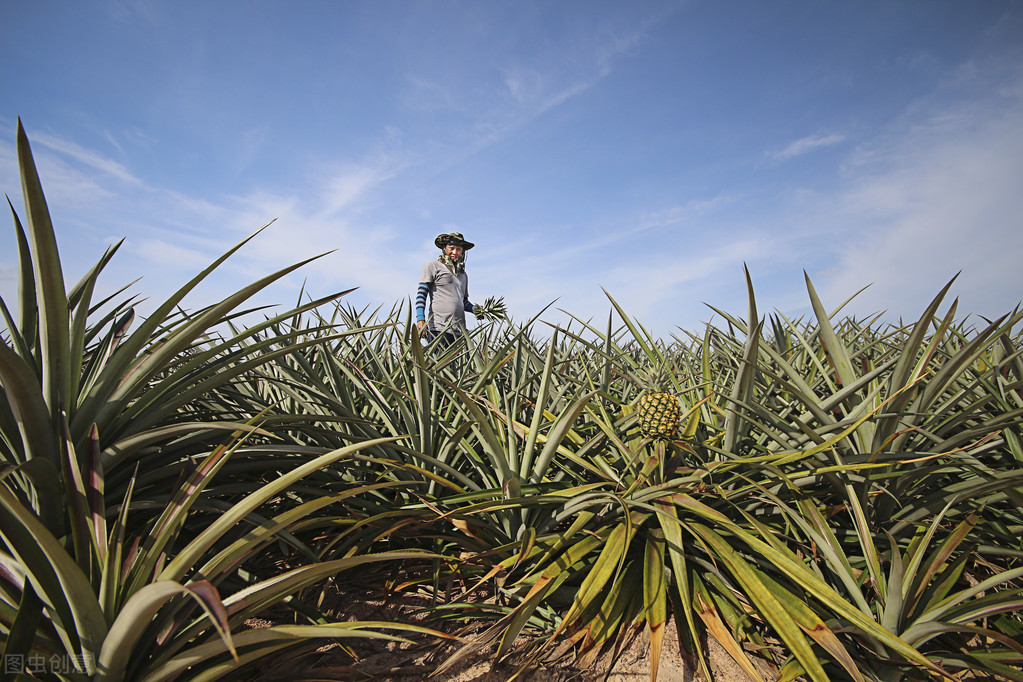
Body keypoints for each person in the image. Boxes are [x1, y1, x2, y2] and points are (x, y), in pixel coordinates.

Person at [416, 232, 480, 347]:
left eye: (458, 249)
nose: (455, 252)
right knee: (438, 363)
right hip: (439, 329)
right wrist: (420, 319)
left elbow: (463, 302)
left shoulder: (463, 275)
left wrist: (476, 309)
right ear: (444, 248)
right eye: (451, 248)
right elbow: (421, 294)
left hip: (460, 331)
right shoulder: (433, 266)